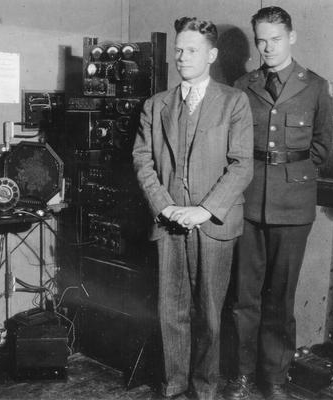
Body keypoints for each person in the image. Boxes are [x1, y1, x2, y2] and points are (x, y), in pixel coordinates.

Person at [132, 17, 253, 400]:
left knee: (210, 316)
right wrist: (165, 207)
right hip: (168, 222)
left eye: (192, 50)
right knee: (171, 312)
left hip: (213, 225)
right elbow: (142, 161)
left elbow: (241, 164)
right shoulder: (156, 105)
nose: (182, 57)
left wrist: (204, 210)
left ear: (212, 55)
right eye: (179, 50)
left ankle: (204, 391)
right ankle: (173, 386)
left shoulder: (234, 102)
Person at [224, 7, 333, 400]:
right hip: (249, 201)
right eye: (261, 40)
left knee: (280, 298)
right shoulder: (242, 84)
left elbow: (320, 147)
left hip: (294, 203)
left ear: (292, 37)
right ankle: (241, 376)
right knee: (243, 298)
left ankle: (274, 380)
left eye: (275, 38)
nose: (267, 47)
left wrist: (290, 176)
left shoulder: (315, 86)